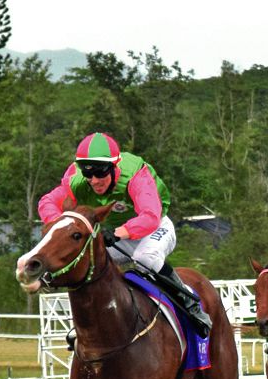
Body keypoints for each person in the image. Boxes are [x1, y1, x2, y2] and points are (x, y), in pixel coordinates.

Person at [38, 131, 207, 332]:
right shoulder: (75, 180)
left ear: (114, 166)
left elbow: (150, 216)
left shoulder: (135, 175)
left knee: (145, 258)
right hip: (114, 235)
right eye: (88, 173)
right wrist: (61, 226)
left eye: (100, 172)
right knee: (85, 260)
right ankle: (89, 324)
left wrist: (120, 232)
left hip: (154, 228)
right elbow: (47, 202)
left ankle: (189, 302)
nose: (94, 180)